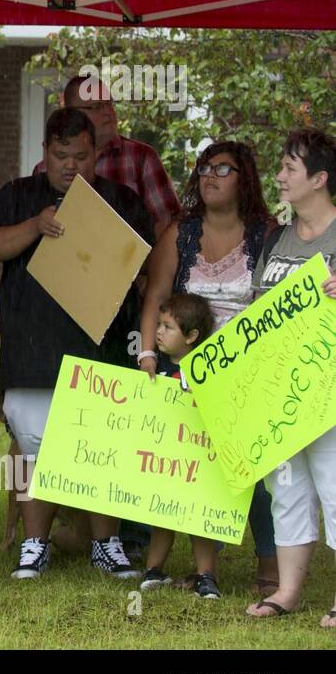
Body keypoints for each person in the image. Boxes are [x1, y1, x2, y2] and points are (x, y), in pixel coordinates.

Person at [0, 107, 154, 580]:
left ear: (96, 153)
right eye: (61, 156)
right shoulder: (16, 195)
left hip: (103, 350)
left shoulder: (122, 200)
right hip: (33, 353)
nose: (71, 165)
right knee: (36, 453)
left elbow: (145, 270)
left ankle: (106, 544)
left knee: (102, 451)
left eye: (81, 155)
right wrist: (36, 226)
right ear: (45, 153)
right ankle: (34, 546)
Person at [138, 141, 278, 594]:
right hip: (183, 372)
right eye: (204, 168)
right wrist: (147, 355)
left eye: (224, 168)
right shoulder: (181, 232)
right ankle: (196, 570)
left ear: (244, 179)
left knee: (251, 473)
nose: (211, 175)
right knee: (184, 466)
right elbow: (155, 298)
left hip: (245, 376)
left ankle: (271, 567)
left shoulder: (266, 234)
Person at [244, 129, 336, 627]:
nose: (278, 176)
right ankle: (288, 591)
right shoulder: (278, 238)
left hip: (331, 393)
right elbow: (258, 312)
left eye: (289, 168)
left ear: (319, 179)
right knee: (288, 489)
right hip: (281, 394)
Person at [139, 293, 222, 599]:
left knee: (199, 522)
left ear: (191, 336)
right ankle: (153, 571)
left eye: (168, 327)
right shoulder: (156, 372)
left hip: (198, 464)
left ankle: (206, 576)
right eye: (159, 324)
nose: (158, 332)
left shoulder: (208, 372)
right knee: (162, 517)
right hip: (165, 462)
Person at [35, 75, 180, 239]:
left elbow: (172, 225)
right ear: (71, 113)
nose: (108, 112)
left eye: (109, 103)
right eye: (96, 106)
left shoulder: (141, 158)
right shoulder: (44, 169)